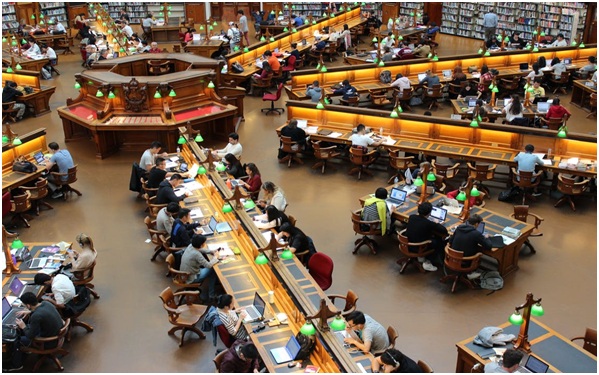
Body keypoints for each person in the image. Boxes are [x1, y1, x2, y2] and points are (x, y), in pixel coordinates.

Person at [8, 292, 64, 372]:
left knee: (16, 339)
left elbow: (30, 336)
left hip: (48, 342)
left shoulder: (36, 316)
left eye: (24, 305)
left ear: (28, 305)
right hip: (56, 334)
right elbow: (43, 312)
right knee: (27, 327)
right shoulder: (46, 303)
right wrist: (30, 312)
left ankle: (16, 365)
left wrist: (23, 326)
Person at [405, 201, 448, 271]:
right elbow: (444, 230)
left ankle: (422, 257)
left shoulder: (412, 217)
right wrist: (437, 223)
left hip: (408, 243)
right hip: (419, 246)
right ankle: (429, 261)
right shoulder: (428, 223)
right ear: (430, 213)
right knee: (439, 241)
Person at [180, 234, 219, 301]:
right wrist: (216, 257)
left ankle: (213, 288)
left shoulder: (191, 246)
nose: (205, 243)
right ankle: (211, 295)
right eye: (204, 242)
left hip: (184, 273)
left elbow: (200, 250)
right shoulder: (196, 254)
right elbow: (208, 265)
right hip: (192, 277)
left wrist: (211, 251)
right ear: (201, 245)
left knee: (211, 270)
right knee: (213, 270)